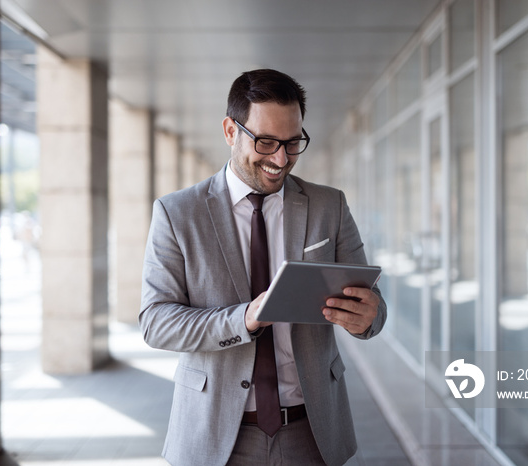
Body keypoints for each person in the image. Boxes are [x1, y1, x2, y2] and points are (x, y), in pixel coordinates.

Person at [140, 68, 387, 466]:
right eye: (267, 142)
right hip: (216, 434)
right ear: (230, 131)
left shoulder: (329, 205)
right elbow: (156, 321)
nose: (280, 159)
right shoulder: (177, 213)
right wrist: (245, 319)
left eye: (293, 143)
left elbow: (372, 305)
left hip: (312, 431)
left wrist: (368, 317)